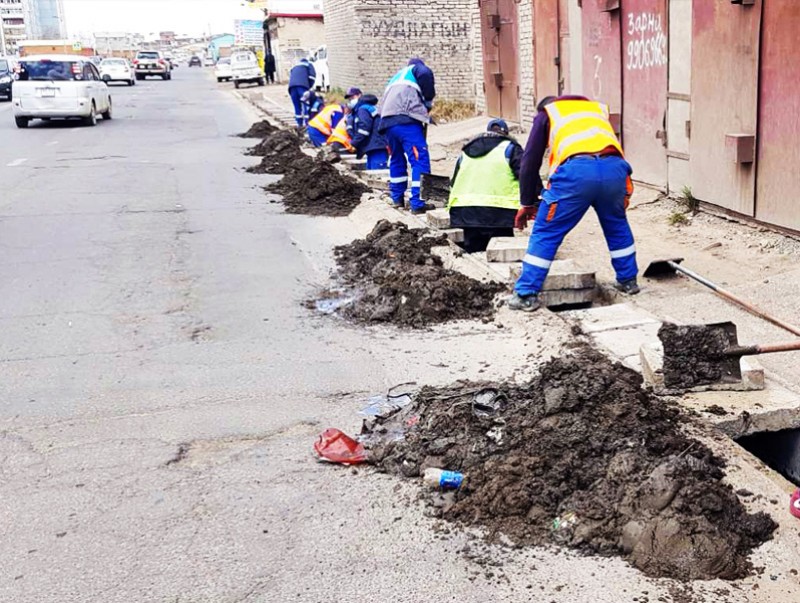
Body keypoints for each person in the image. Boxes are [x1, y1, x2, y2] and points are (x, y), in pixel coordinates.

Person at [506, 95, 639, 312]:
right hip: (615, 169)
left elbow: (530, 160)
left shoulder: (547, 113)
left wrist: (527, 203)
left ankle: (526, 293)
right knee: (616, 224)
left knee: (546, 232)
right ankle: (628, 281)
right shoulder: (595, 109)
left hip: (577, 173)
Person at [447, 119, 522, 253]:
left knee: (473, 253)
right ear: (505, 134)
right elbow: (526, 176)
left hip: (465, 212)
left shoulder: (466, 151)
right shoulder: (510, 148)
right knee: (501, 253)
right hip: (500, 212)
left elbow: (454, 182)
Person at [378, 58, 436, 214]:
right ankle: (417, 203)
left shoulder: (396, 77)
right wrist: (428, 103)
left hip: (387, 123)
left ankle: (397, 198)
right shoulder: (417, 70)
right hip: (406, 121)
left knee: (396, 158)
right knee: (419, 160)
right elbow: (425, 72)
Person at [350, 92, 389, 171]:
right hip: (375, 146)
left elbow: (364, 128)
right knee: (372, 173)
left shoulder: (363, 110)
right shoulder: (371, 108)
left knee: (377, 175)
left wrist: (354, 143)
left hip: (376, 146)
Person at [287, 57, 316, 127]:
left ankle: (299, 125)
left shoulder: (295, 66)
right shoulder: (309, 65)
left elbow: (291, 75)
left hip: (291, 88)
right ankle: (307, 125)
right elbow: (312, 77)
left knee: (297, 106)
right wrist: (309, 87)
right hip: (302, 87)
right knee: (306, 105)